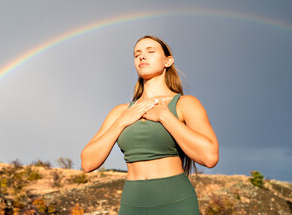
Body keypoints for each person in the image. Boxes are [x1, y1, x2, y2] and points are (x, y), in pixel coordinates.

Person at [81, 35, 219, 214]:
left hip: (176, 202)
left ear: (168, 61)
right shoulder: (121, 111)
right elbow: (87, 163)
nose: (142, 56)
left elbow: (210, 157)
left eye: (150, 51)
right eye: (137, 54)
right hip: (132, 204)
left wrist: (165, 116)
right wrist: (122, 122)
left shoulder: (185, 104)